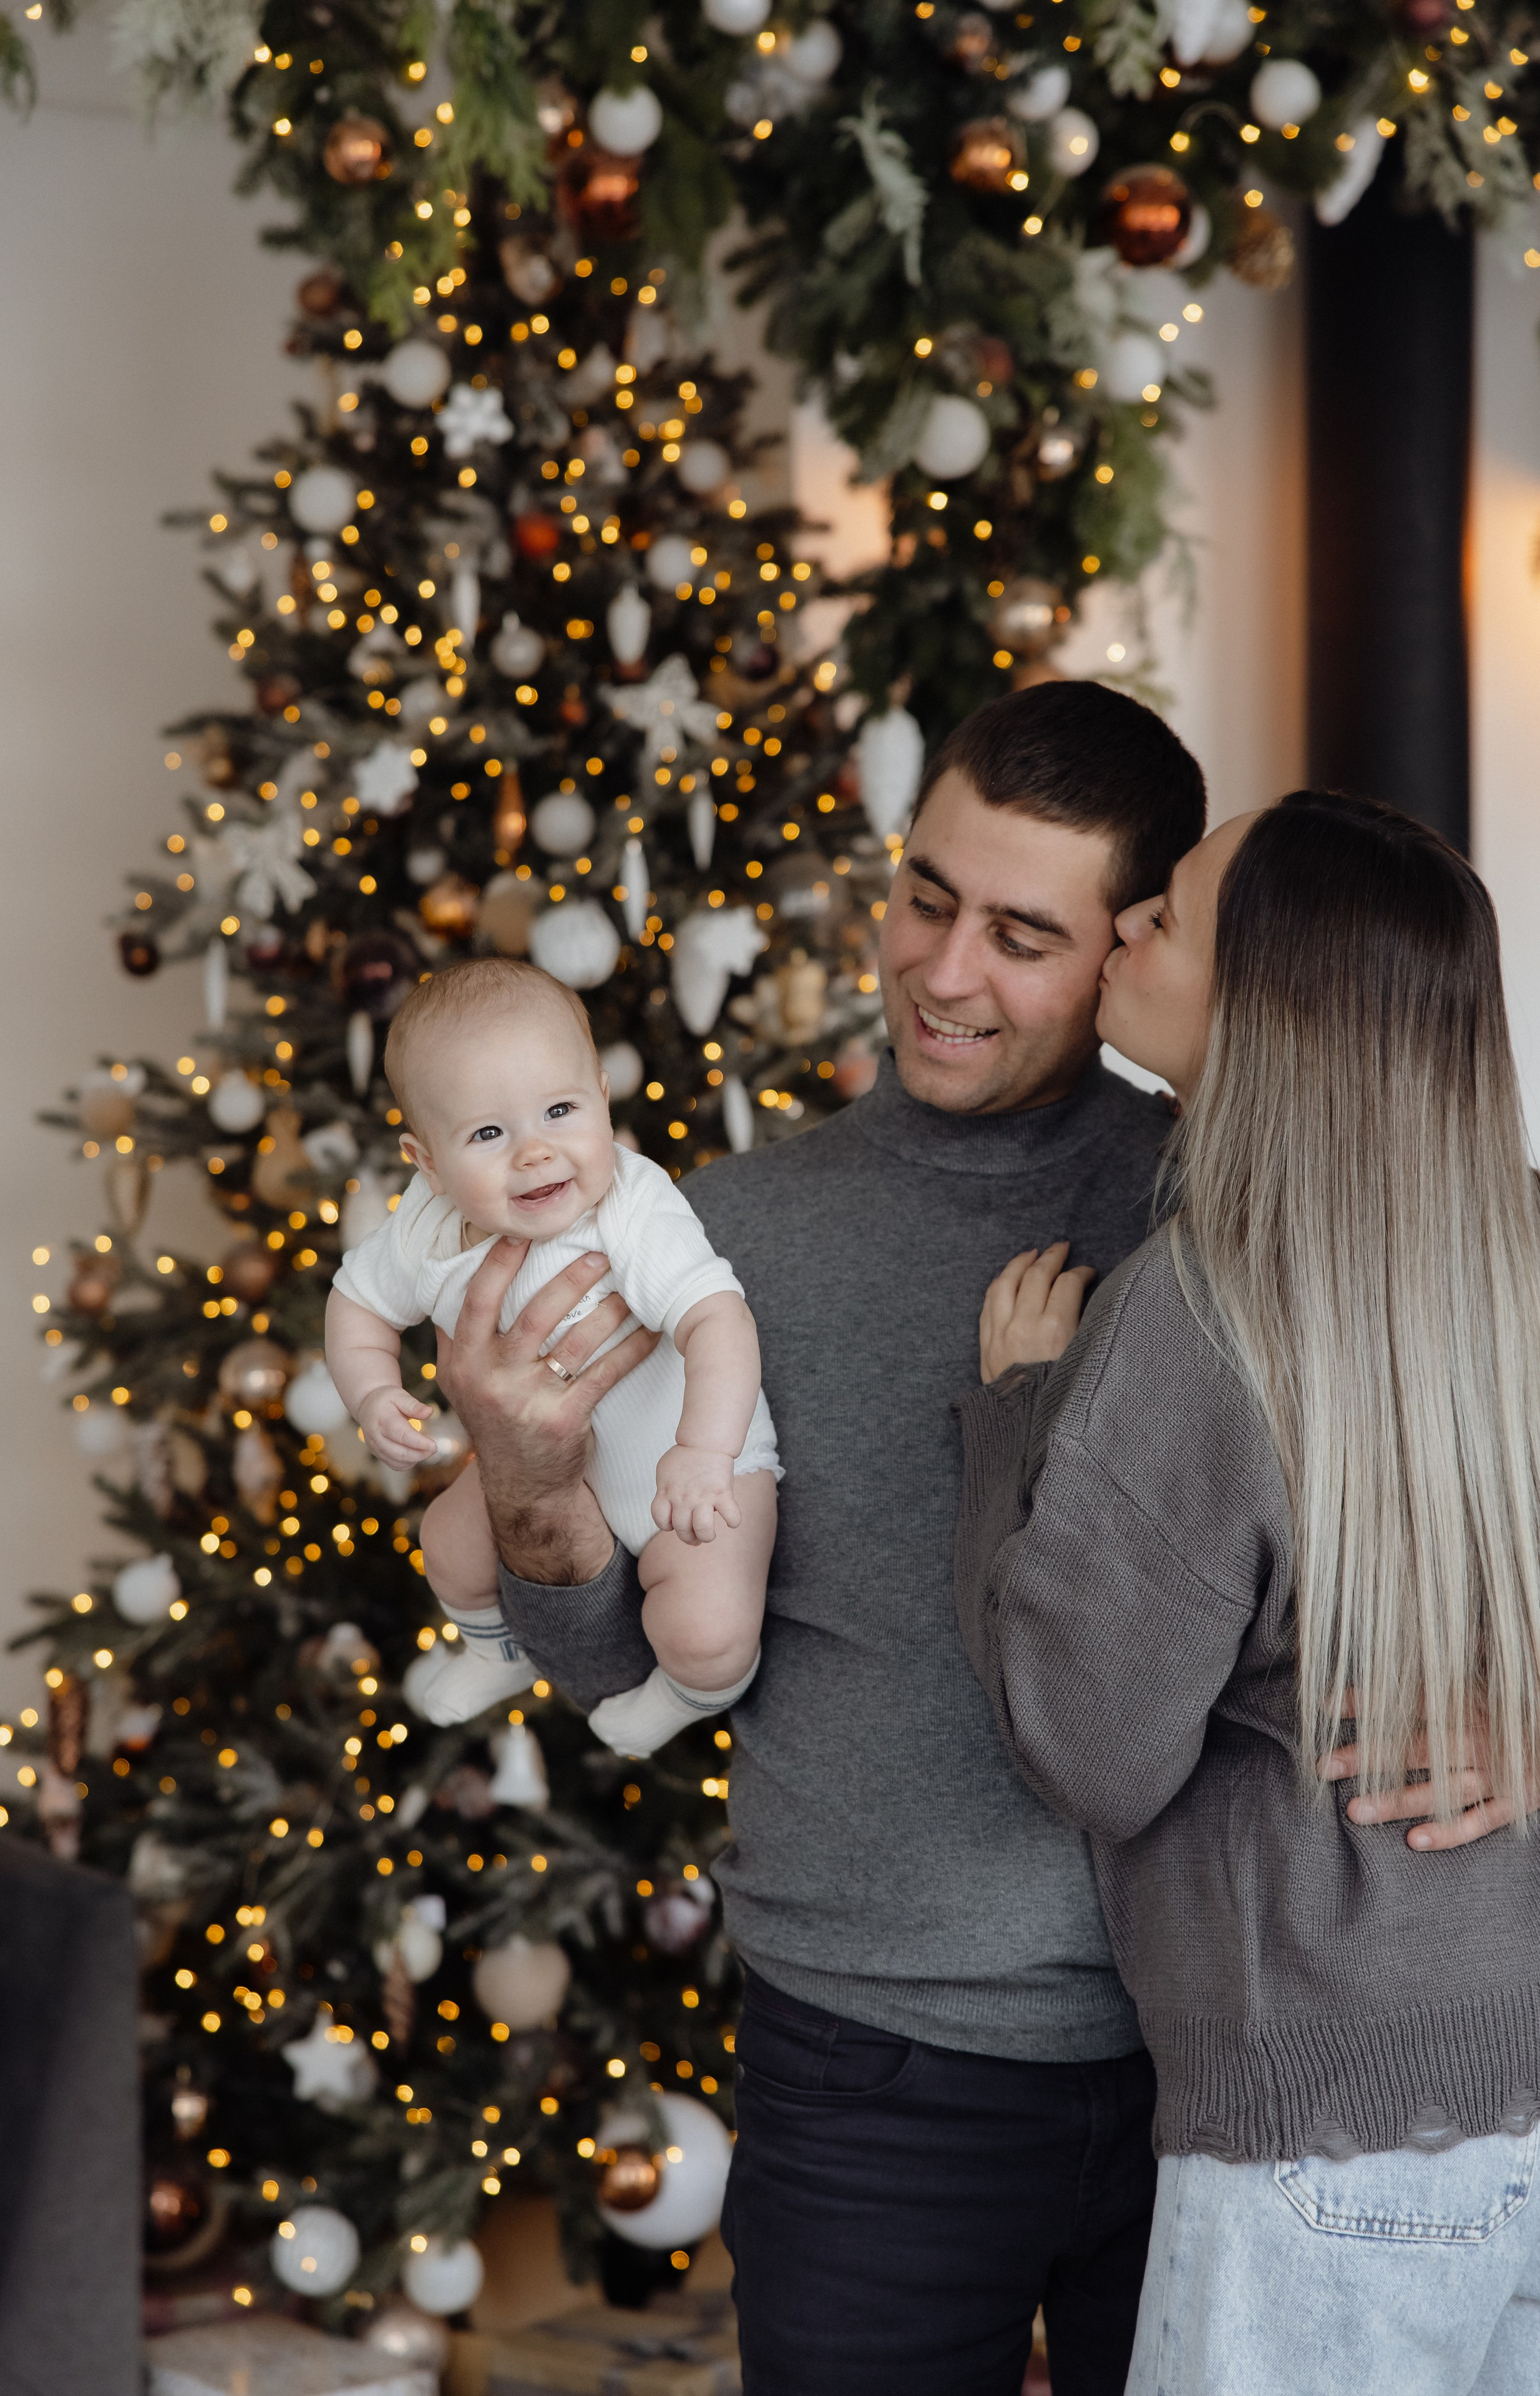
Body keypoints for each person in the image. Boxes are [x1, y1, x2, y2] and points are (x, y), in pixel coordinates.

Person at [437, 681, 1207, 2394]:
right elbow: (612, 1658)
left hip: (1210, 2061)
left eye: (1023, 933)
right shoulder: (724, 1234)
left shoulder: (1221, 1203)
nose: (943, 972)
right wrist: (531, 1476)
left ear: (1131, 947)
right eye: (928, 896)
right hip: (866, 2067)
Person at [958, 789, 1540, 2396]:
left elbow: (1087, 1747)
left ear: (1262, 1003)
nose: (1128, 924)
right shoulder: (1518, 1254)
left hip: (1319, 2138)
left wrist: (1013, 1420)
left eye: (1171, 915)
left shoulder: (1196, 1316)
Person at [325, 958, 780, 1758]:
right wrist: (371, 1395)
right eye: (488, 1134)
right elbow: (357, 1304)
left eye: (561, 1110)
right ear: (426, 1160)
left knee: (708, 1629)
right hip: (531, 1463)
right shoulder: (425, 1225)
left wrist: (705, 1452)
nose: (536, 1154)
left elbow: (719, 1320)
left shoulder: (632, 1205)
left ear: (603, 1098)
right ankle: (494, 1654)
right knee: (448, 1544)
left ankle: (681, 1694)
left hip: (692, 1462)